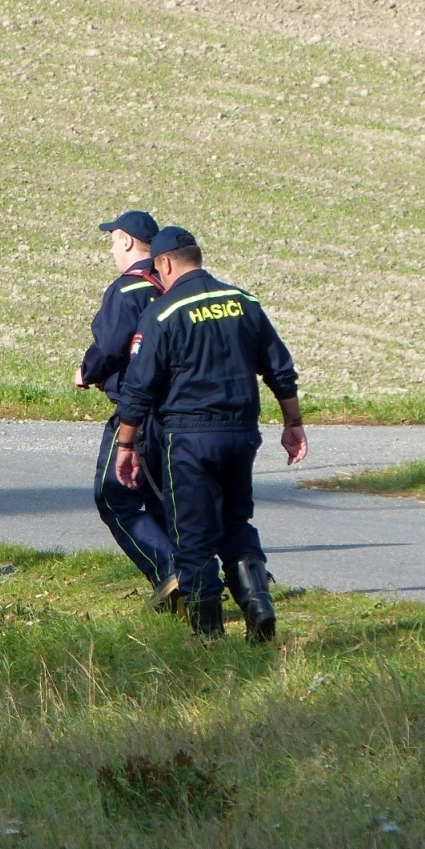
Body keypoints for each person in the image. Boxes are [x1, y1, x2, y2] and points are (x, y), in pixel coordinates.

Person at [113, 228, 307, 642]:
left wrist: (126, 444)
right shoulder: (244, 302)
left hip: (189, 438)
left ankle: (209, 635)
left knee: (193, 536)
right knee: (236, 522)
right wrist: (293, 424)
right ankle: (259, 606)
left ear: (165, 263)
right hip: (241, 435)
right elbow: (280, 369)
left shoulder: (164, 313)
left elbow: (139, 387)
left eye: (158, 271)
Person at [75, 212, 175, 592]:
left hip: (137, 413)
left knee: (114, 497)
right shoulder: (171, 286)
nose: (113, 250)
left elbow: (111, 345)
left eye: (114, 241)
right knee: (165, 501)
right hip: (177, 411)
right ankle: (217, 577)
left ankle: (171, 573)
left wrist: (86, 371)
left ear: (129, 242)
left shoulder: (127, 289)